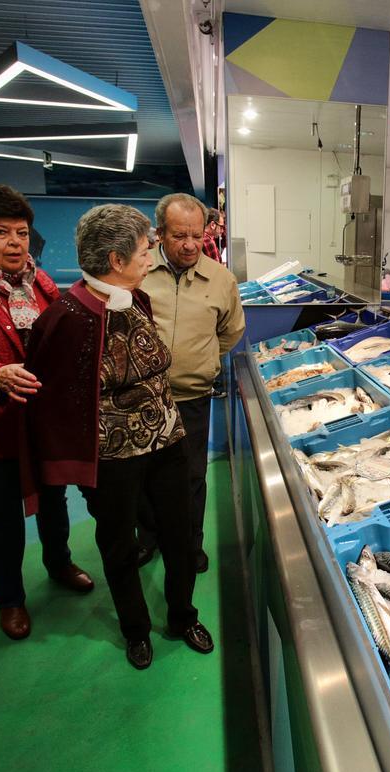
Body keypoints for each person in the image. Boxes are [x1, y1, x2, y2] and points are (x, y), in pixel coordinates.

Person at [23, 204, 213, 670]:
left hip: (167, 442)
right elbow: (53, 396)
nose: (150, 257)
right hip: (113, 457)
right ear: (115, 259)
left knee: (180, 534)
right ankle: (135, 629)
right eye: (144, 250)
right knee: (119, 545)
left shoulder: (137, 299)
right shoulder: (66, 315)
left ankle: (183, 615)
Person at [0, 185, 94, 641]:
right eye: (1, 232)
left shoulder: (41, 282)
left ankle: (59, 563)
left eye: (22, 233)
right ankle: (9, 600)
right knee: (1, 515)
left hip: (41, 422)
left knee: (54, 499)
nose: (14, 243)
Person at [139, 194, 244, 574]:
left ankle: (188, 544)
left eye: (196, 236)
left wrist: (204, 361)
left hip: (192, 397)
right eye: (179, 235)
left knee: (191, 478)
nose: (189, 245)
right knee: (144, 475)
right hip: (141, 397)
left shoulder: (221, 279)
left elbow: (231, 331)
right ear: (160, 233)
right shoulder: (138, 270)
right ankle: (148, 537)